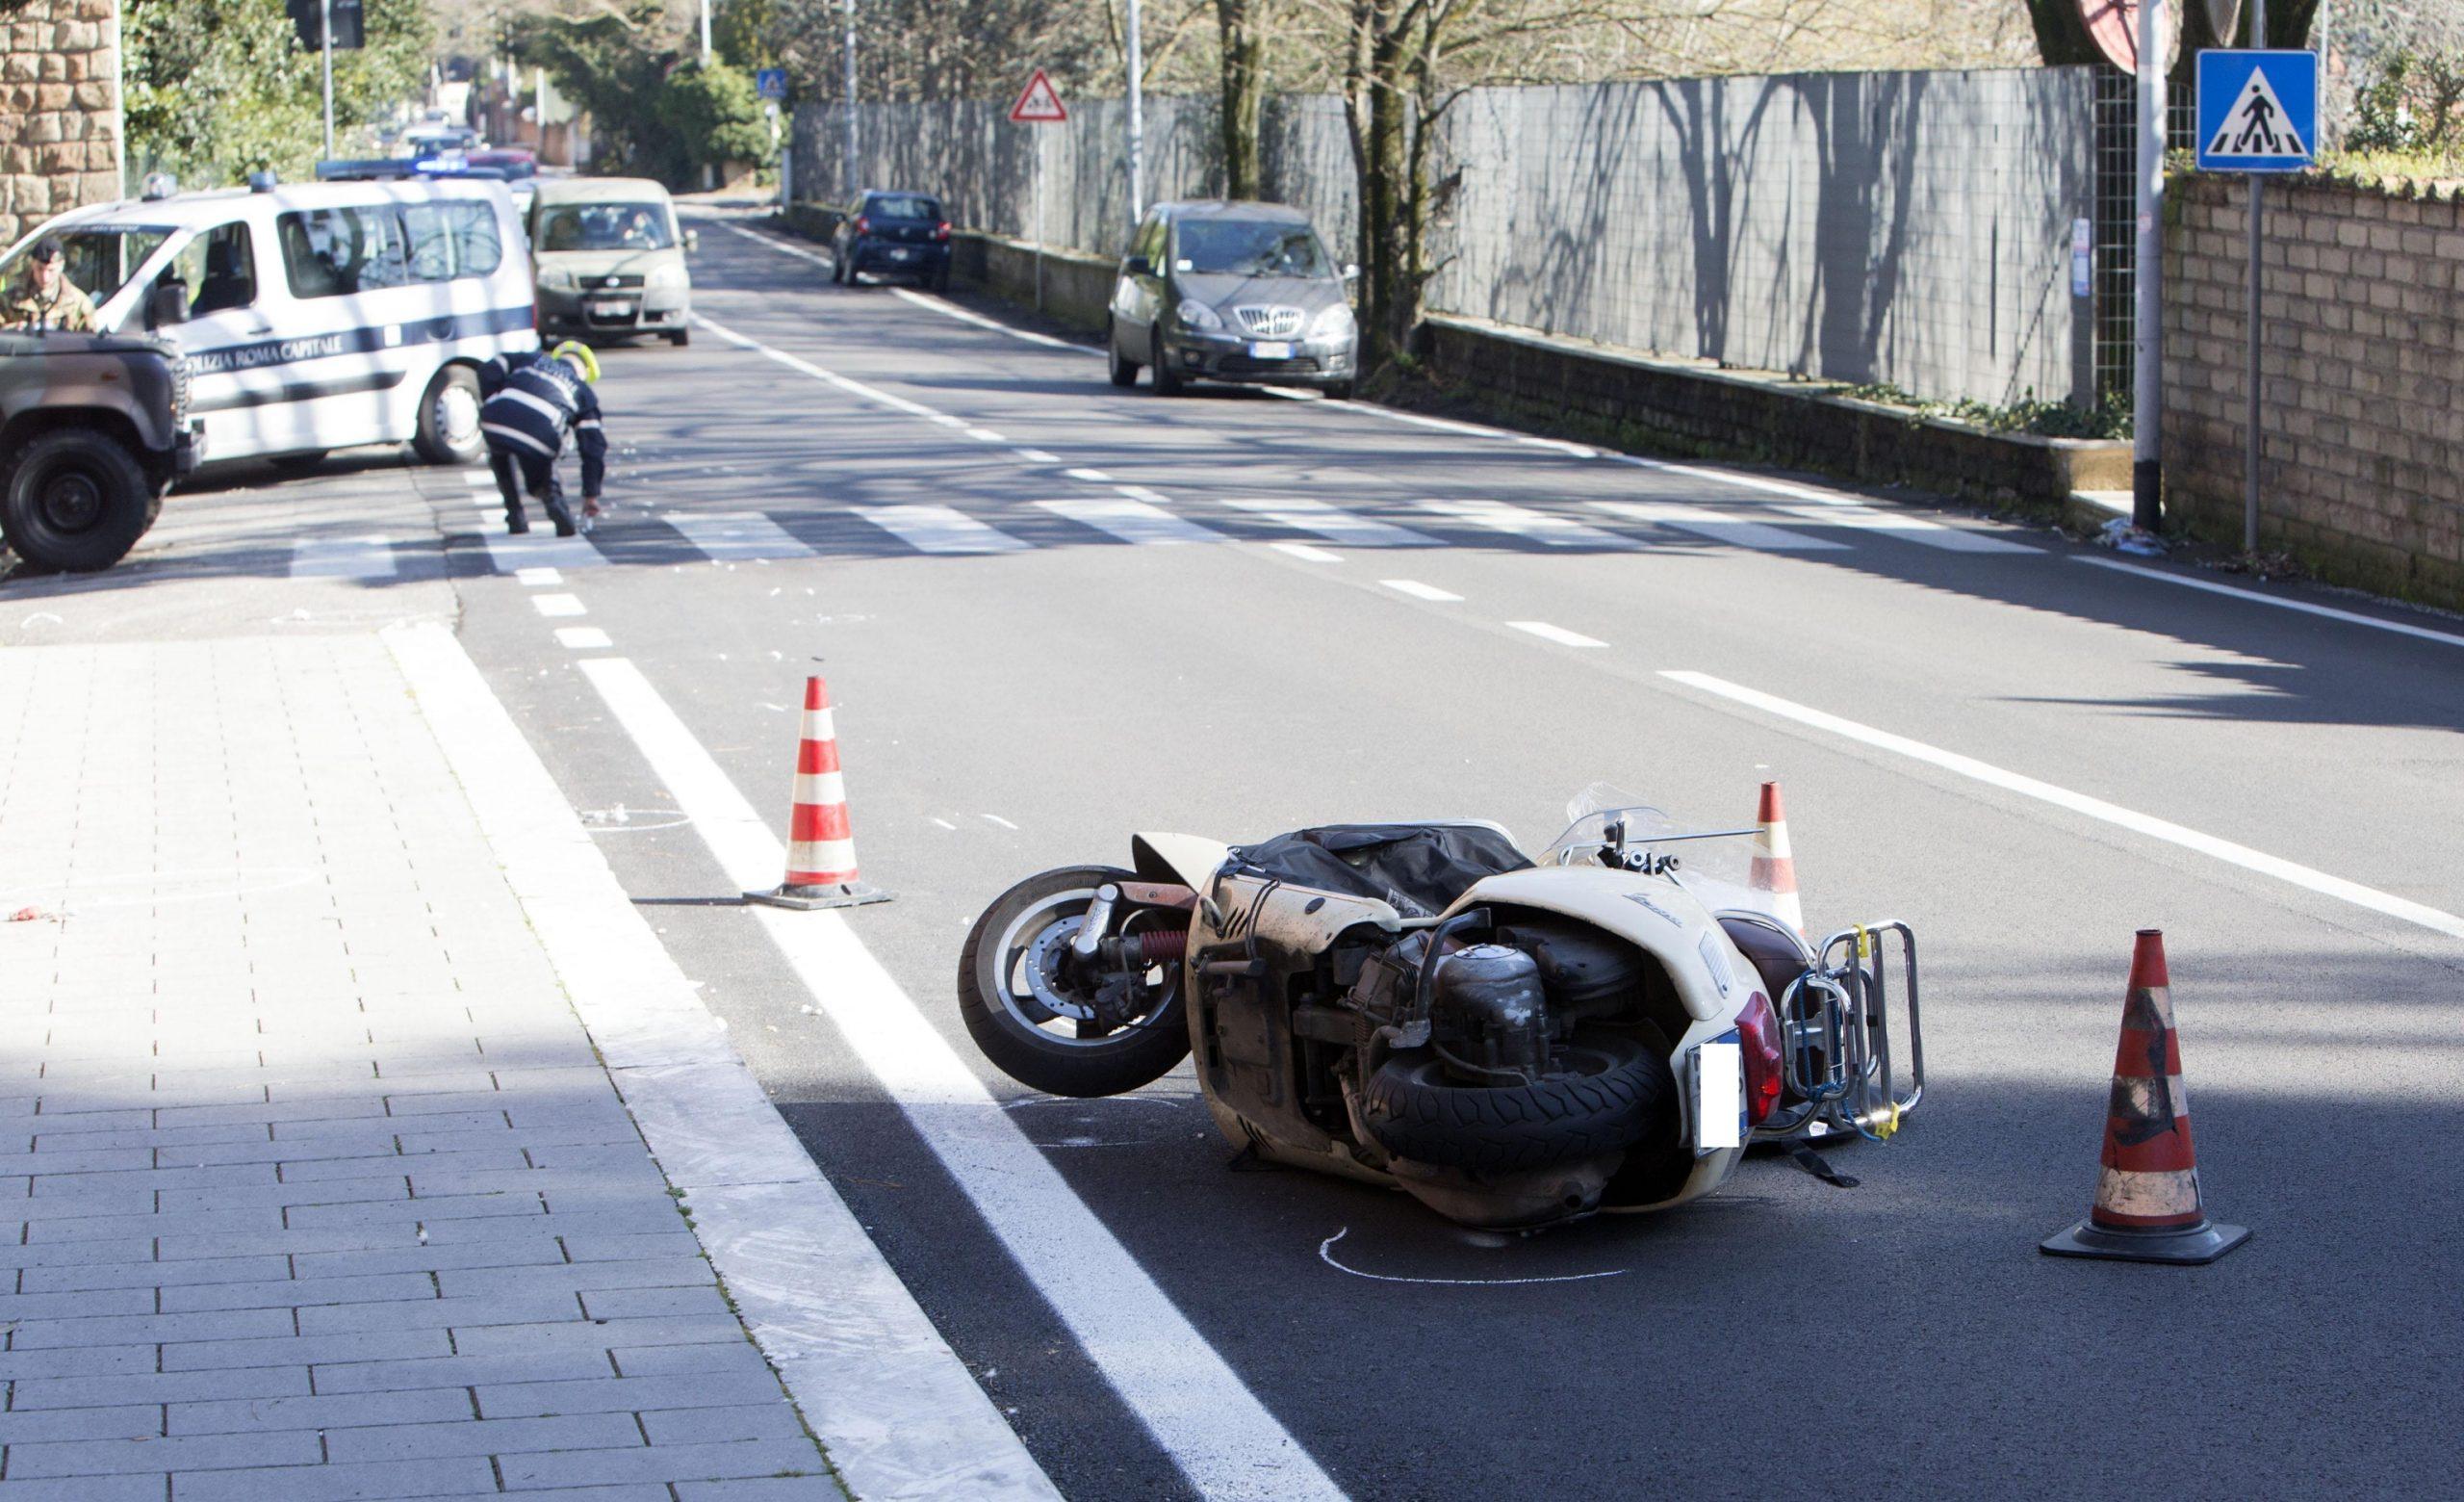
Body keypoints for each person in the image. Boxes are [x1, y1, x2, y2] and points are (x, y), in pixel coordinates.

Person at [476, 341, 605, 537]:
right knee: (537, 447)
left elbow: (489, 369)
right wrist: (591, 494)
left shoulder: (531, 359)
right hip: (540, 435)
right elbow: (593, 448)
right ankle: (551, 495)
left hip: (496, 419)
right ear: (585, 374)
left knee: (501, 449)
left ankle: (515, 515)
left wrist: (495, 398)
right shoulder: (583, 392)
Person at [4, 238, 97, 332]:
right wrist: (13, 330)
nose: (45, 277)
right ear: (32, 263)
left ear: (61, 265)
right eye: (40, 269)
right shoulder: (9, 299)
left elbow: (89, 341)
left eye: (51, 270)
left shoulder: (79, 303)